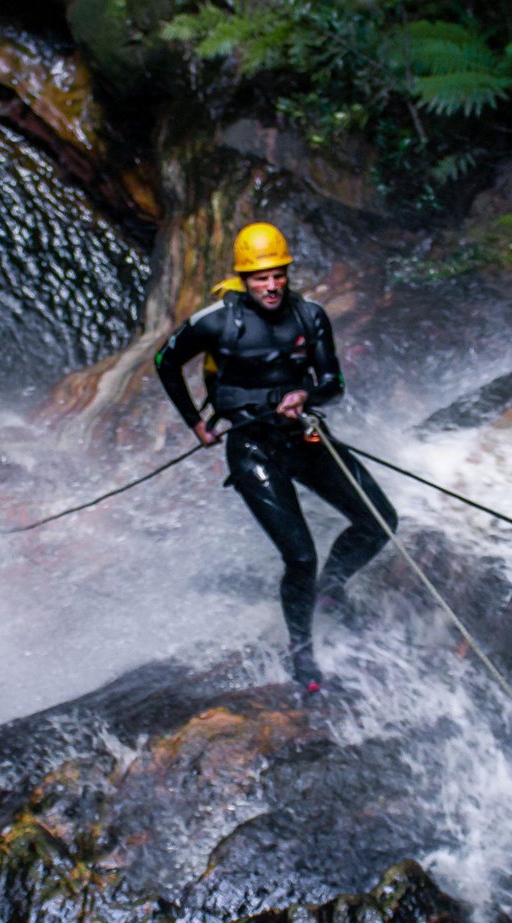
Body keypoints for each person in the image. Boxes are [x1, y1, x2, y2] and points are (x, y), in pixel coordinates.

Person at [154, 221, 397, 693]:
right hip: (252, 449)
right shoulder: (216, 321)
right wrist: (195, 423)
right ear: (244, 279)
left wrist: (305, 393)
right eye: (260, 277)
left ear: (287, 273)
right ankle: (301, 650)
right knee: (300, 556)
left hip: (305, 437)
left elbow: (334, 384)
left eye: (277, 275)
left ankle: (331, 589)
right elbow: (165, 361)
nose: (270, 285)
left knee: (379, 521)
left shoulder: (310, 316)